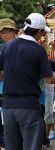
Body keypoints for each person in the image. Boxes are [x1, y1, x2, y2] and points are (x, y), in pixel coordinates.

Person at [0, 13, 55, 150]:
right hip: (28, 106)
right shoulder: (38, 50)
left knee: (11, 147)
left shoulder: (6, 47)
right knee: (31, 146)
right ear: (39, 32)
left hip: (8, 106)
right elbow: (48, 79)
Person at [0, 18, 17, 150]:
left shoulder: (22, 46)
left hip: (14, 96)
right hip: (2, 92)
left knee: (9, 131)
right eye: (1, 33)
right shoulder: (1, 48)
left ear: (13, 31)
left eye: (6, 32)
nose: (3, 35)